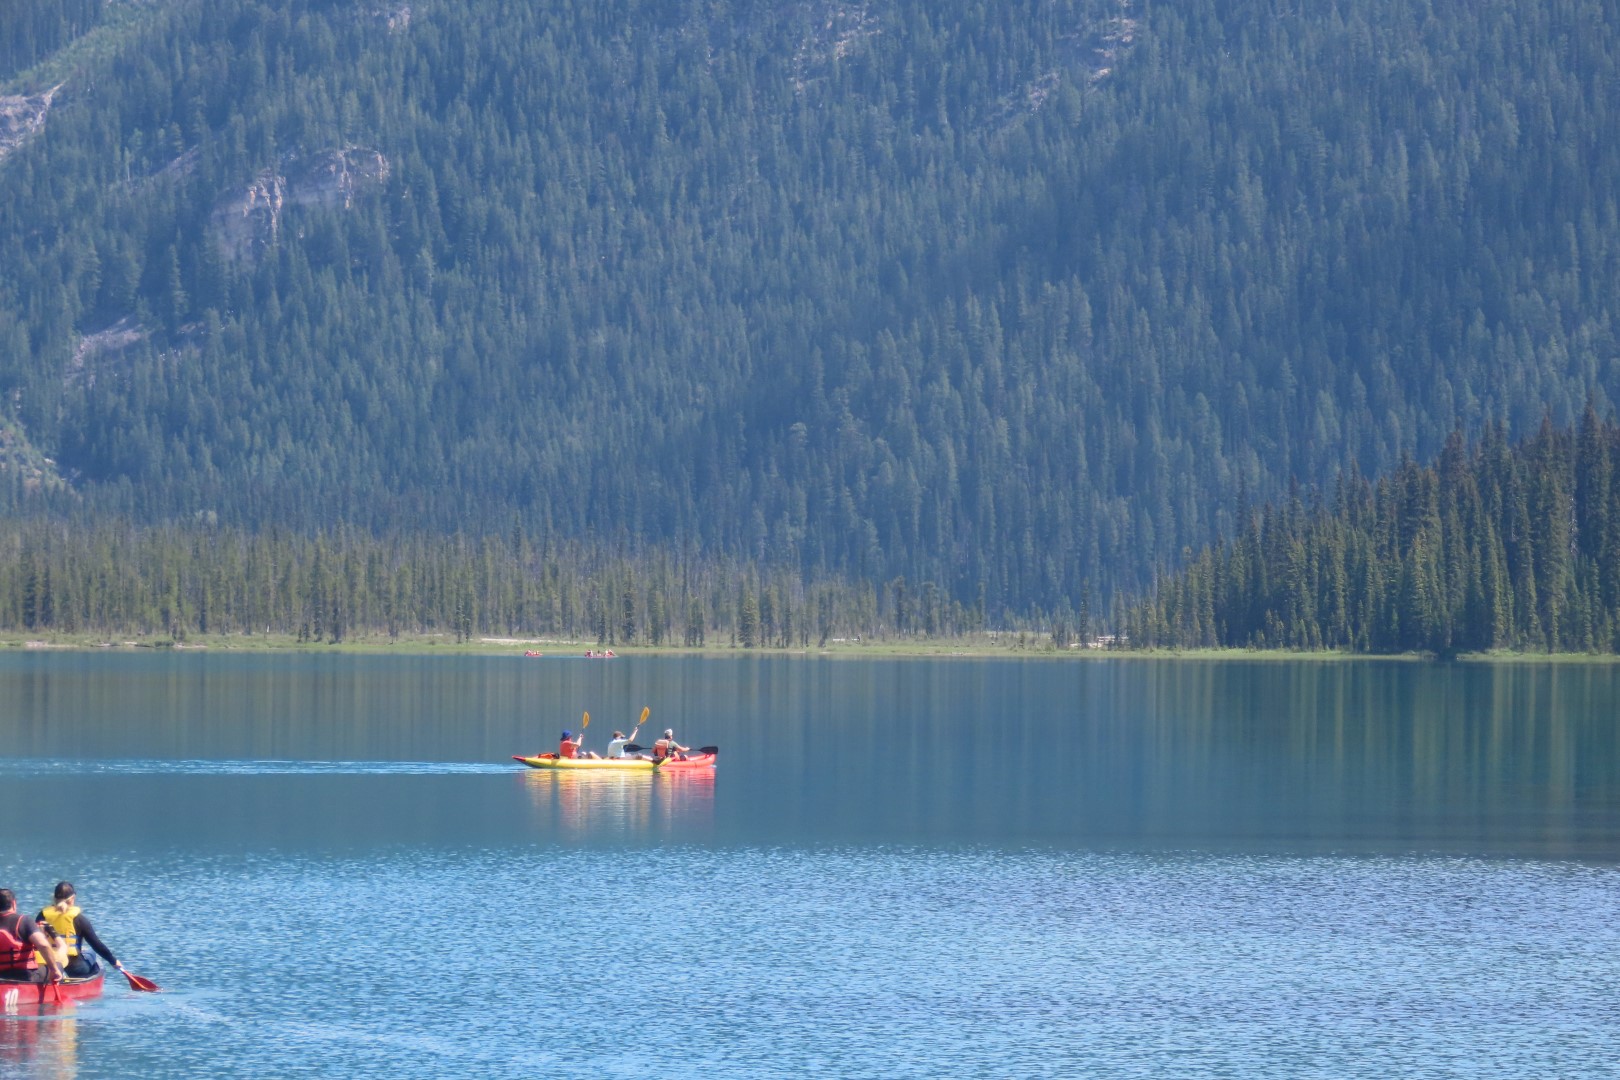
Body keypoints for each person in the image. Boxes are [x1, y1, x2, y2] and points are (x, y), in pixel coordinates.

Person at [36, 882, 122, 980]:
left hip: (47, 963)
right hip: (74, 967)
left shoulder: (42, 916)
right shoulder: (79, 919)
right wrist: (113, 961)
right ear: (73, 898)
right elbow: (96, 944)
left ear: (54, 898)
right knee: (92, 954)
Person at [0, 889, 62, 985]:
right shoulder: (24, 921)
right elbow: (43, 945)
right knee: (58, 965)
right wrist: (54, 969)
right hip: (26, 978)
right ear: (14, 903)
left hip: (2, 977)